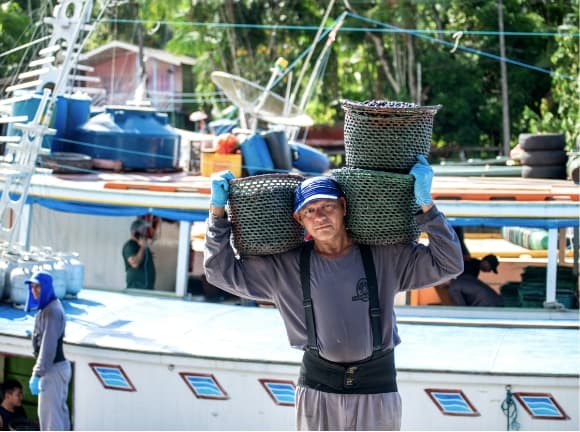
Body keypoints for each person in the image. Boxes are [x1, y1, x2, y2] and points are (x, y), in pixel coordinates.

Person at [204, 155, 464, 430]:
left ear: (343, 207)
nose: (320, 217)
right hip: (317, 387)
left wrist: (427, 205)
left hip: (377, 387)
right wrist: (217, 213)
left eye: (327, 206)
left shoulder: (385, 256)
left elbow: (449, 264)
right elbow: (219, 271)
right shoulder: (284, 268)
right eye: (309, 211)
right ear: (299, 219)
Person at [25, 271, 71, 431]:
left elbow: (48, 348)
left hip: (53, 370)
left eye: (38, 287)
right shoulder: (48, 307)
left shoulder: (51, 311)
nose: (34, 290)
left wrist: (37, 374)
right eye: (32, 287)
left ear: (47, 288)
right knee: (57, 416)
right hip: (56, 369)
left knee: (51, 420)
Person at [122, 218, 156, 290]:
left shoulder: (140, 245)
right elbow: (135, 263)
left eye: (145, 230)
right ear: (134, 232)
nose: (145, 233)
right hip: (137, 288)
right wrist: (143, 248)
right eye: (143, 230)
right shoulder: (130, 245)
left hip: (147, 289)